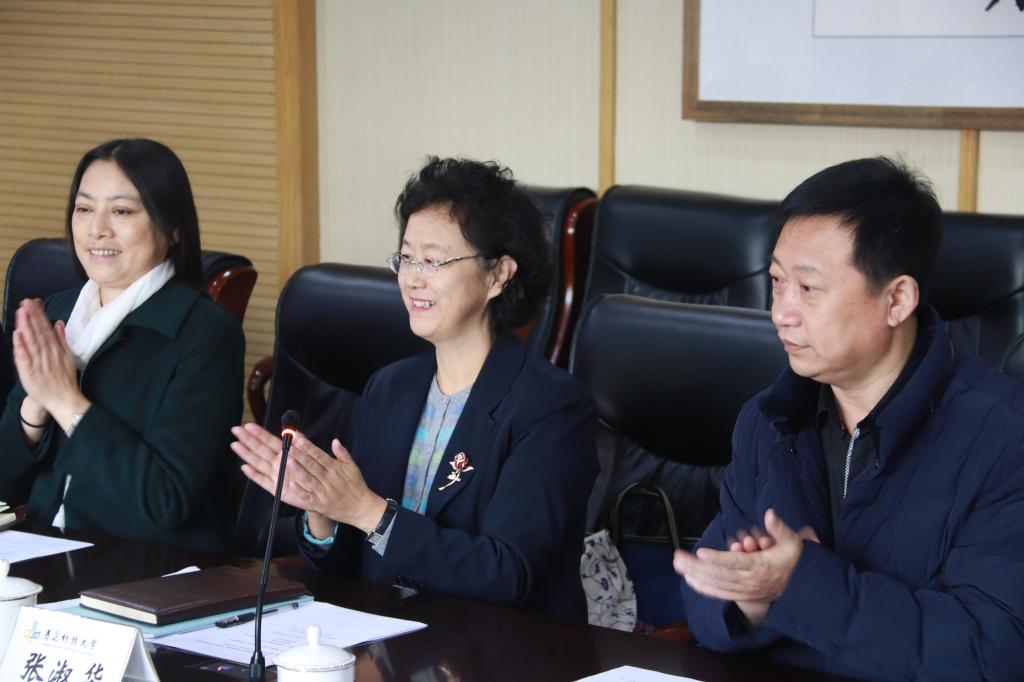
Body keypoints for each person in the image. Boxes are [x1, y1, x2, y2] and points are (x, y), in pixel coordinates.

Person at [675, 157, 1024, 680]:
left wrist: (801, 586)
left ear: (897, 299)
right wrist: (746, 602)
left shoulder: (1005, 437)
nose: (780, 312)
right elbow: (707, 594)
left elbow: (992, 650)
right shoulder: (769, 419)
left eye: (809, 288)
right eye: (777, 282)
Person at [232, 157, 598, 622]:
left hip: (502, 646)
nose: (412, 278)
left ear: (499, 274)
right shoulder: (391, 387)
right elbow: (356, 563)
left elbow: (509, 574)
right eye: (406, 258)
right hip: (389, 638)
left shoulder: (551, 406)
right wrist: (322, 511)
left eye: (434, 260)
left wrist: (368, 511)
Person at [0, 138, 245, 552]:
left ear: (173, 228)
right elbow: (5, 484)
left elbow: (165, 501)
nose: (97, 229)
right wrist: (35, 406)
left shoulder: (207, 334)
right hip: (43, 548)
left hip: (152, 565)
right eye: (84, 209)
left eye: (121, 211)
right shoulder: (58, 312)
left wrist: (66, 402)